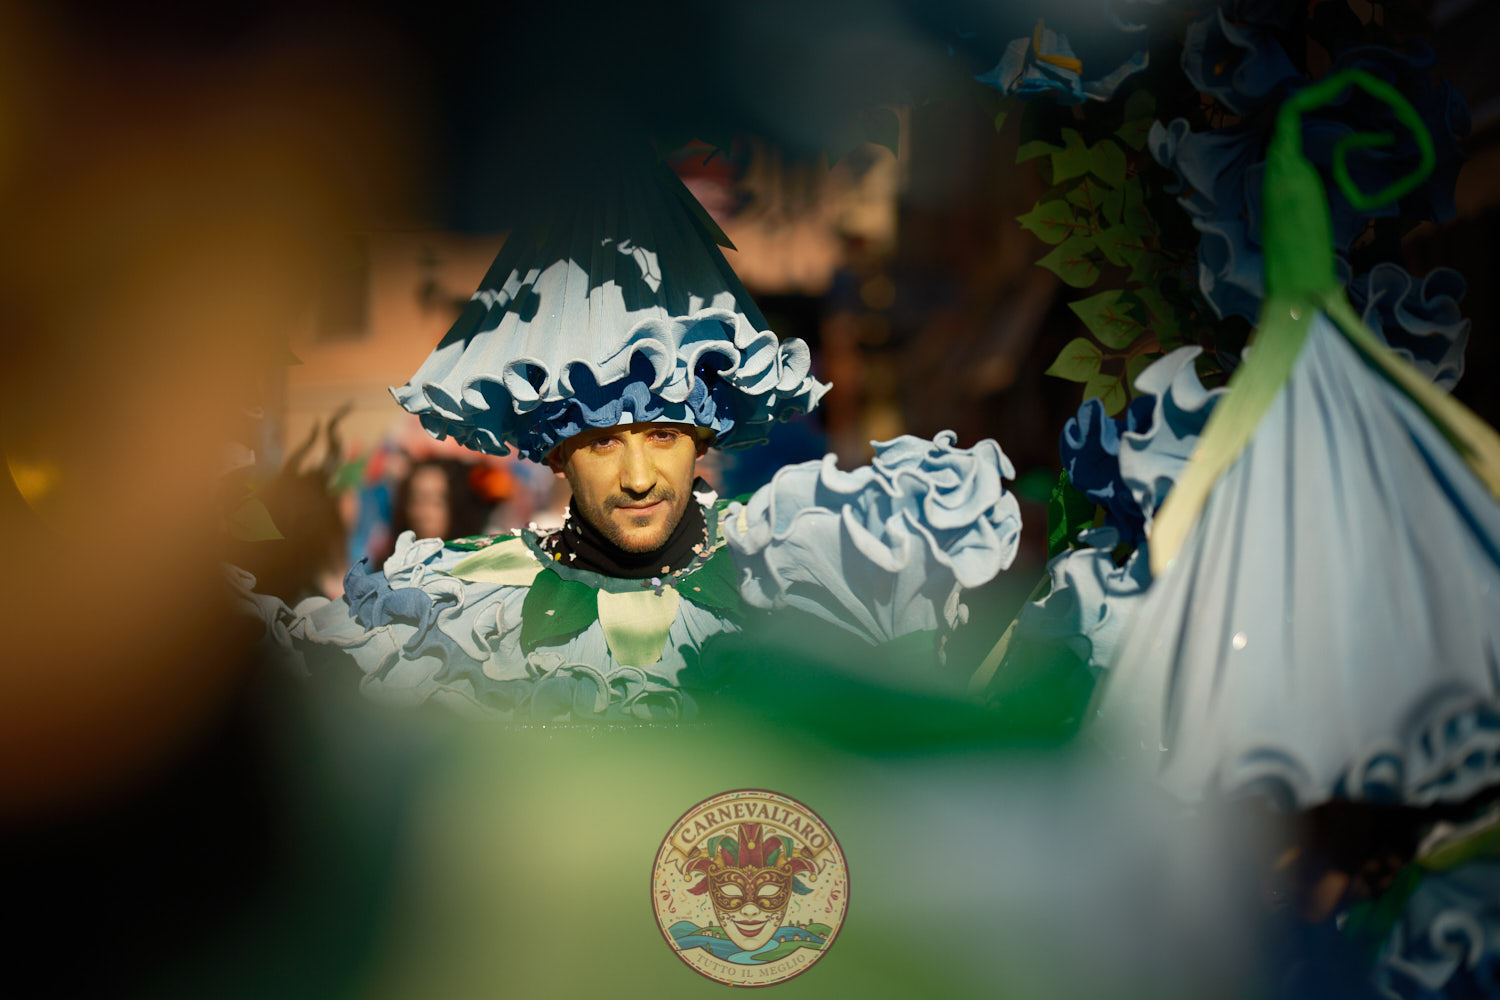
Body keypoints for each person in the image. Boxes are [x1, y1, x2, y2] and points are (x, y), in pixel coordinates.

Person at [236, 143, 1022, 720]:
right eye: (604, 442)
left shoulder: (804, 566)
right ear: (555, 452)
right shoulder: (460, 612)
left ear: (706, 437)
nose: (640, 477)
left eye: (666, 436)